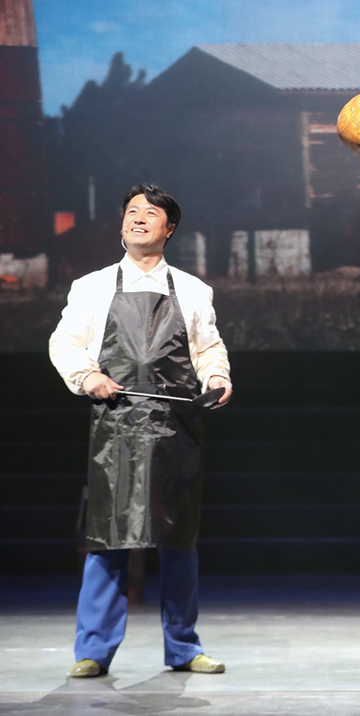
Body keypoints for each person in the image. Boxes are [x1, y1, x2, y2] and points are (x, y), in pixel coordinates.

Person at [49, 184, 232, 678]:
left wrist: (218, 377)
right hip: (117, 425)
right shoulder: (91, 286)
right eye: (132, 211)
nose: (138, 218)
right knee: (110, 536)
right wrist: (87, 376)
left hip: (177, 426)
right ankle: (93, 650)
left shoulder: (193, 290)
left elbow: (207, 348)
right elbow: (65, 344)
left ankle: (184, 647)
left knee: (178, 540)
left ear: (169, 229)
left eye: (150, 213)